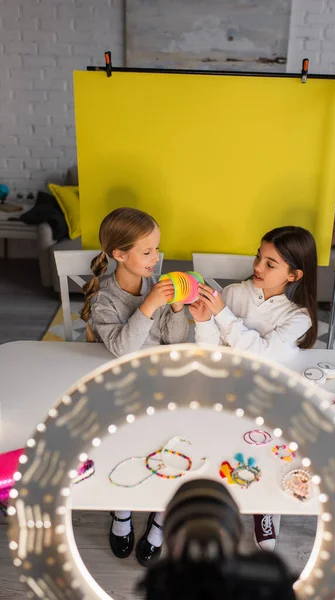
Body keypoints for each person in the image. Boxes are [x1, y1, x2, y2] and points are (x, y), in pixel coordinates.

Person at [189, 226, 318, 551]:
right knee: (215, 444)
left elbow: (259, 354)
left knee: (274, 449)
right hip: (226, 386)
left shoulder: (298, 317)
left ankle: (265, 509)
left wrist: (221, 313)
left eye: (270, 264)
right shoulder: (232, 294)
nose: (258, 267)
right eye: (259, 257)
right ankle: (217, 504)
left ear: (294, 274)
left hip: (268, 395)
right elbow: (212, 350)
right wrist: (205, 320)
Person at [80, 207, 189, 566]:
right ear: (119, 255)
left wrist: (174, 308)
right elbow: (122, 349)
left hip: (162, 382)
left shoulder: (153, 287)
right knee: (123, 445)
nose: (156, 259)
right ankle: (122, 512)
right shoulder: (104, 299)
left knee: (169, 446)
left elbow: (174, 341)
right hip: (121, 385)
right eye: (147, 252)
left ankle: (159, 518)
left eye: (158, 249)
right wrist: (150, 304)